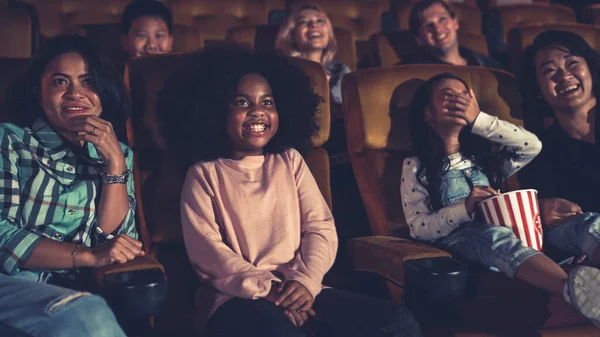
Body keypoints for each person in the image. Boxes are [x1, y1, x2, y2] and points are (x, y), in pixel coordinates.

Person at [157, 46, 422, 337]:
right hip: (236, 298)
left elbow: (320, 228)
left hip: (303, 286)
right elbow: (209, 255)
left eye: (268, 102)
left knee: (398, 321)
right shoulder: (204, 173)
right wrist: (272, 291)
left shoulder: (290, 160)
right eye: (242, 102)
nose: (258, 111)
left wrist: (305, 283)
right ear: (216, 108)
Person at [401, 72, 600, 326]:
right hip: (469, 241)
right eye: (448, 95)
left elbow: (531, 145)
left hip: (518, 233)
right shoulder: (416, 166)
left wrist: (479, 120)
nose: (459, 100)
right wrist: (464, 208)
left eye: (464, 94)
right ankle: (580, 294)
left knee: (587, 223)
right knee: (495, 236)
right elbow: (418, 228)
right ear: (428, 113)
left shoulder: (485, 157)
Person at [0, 34, 143, 336]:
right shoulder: (10, 141)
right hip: (11, 286)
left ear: (103, 93)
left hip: (80, 293)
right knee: (88, 315)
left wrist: (114, 167)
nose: (76, 93)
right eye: (60, 82)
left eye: (88, 81)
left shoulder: (121, 155)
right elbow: (1, 234)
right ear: (39, 94)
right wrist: (90, 255)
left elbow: (119, 245)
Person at [519, 30, 600, 221]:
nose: (564, 76)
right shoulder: (539, 152)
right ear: (537, 89)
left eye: (572, 63)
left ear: (590, 69)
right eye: (549, 71)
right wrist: (542, 210)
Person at [399, 0, 502, 69]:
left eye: (442, 19)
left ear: (455, 23)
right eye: (428, 25)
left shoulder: (488, 65)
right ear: (419, 39)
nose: (437, 29)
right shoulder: (409, 71)